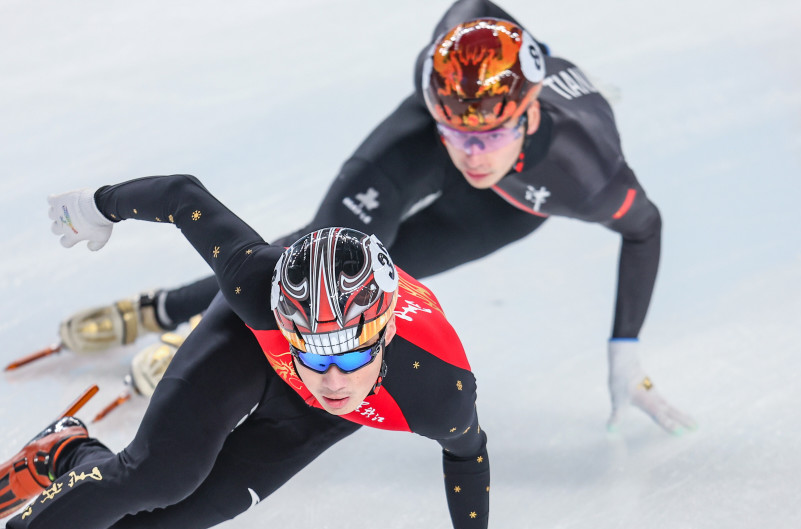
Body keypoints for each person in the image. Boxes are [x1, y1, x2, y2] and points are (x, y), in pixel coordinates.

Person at [0, 175, 558, 529]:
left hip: (305, 410)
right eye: (315, 354)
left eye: (350, 357)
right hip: (252, 346)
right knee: (158, 475)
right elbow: (182, 195)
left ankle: (67, 452)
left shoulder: (437, 384)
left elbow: (468, 451)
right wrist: (96, 206)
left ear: (385, 332)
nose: (330, 379)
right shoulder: (257, 284)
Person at [53, 0, 696, 435]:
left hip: (517, 202)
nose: (470, 154)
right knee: (326, 256)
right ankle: (168, 314)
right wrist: (463, 117)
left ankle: (173, 318)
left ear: (528, 113)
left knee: (369, 284)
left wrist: (624, 346)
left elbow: (647, 227)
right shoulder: (437, 80)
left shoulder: (586, 174)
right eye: (457, 132)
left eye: (486, 137)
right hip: (420, 141)